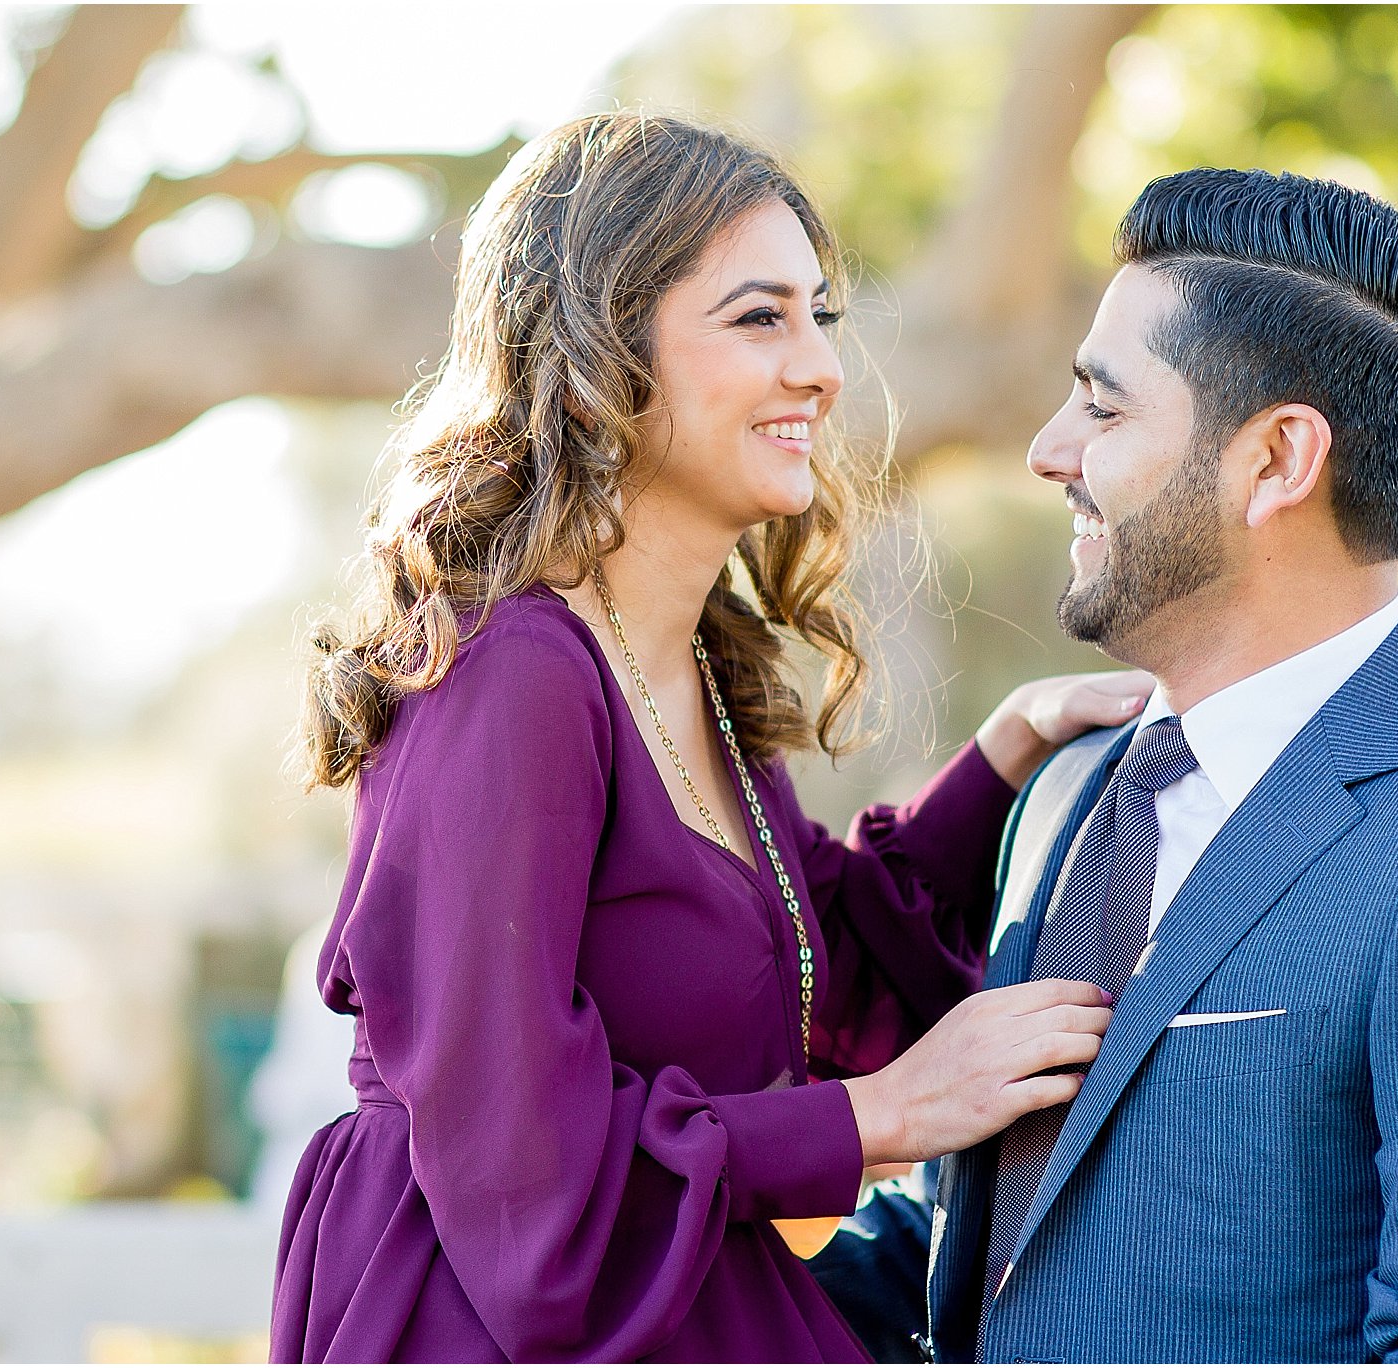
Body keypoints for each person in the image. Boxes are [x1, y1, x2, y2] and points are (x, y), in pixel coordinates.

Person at [268, 110, 1153, 1363]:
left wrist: (1003, 757)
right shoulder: (512, 675)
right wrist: (879, 1116)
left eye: (818, 316)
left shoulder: (693, 669)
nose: (820, 369)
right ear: (598, 350)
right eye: (758, 317)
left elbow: (798, 969)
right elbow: (522, 1181)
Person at [810, 167, 1398, 1363]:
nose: (1045, 449)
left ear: (1275, 461)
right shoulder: (1068, 791)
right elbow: (990, 1235)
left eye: (1101, 410)